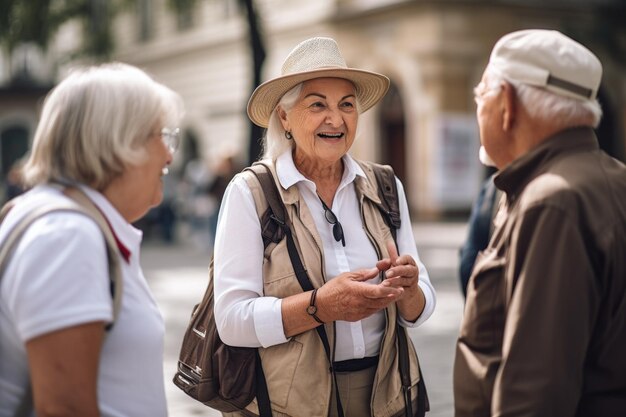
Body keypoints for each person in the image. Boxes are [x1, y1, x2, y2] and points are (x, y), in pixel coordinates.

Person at [213, 37, 436, 417]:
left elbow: (421, 309)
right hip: (291, 401)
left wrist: (410, 289)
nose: (336, 119)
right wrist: (321, 306)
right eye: (317, 105)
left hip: (387, 396)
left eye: (346, 105)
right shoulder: (250, 192)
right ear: (284, 117)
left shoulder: (385, 186)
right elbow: (232, 322)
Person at [454, 29, 626, 416]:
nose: (478, 108)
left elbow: (533, 392)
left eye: (482, 95)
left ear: (507, 104)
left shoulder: (550, 201)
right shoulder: (611, 177)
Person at [0, 63, 184, 416]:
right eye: (161, 134)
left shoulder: (54, 217)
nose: (169, 154)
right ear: (118, 140)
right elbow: (65, 408)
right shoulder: (69, 236)